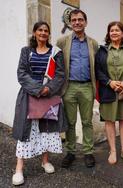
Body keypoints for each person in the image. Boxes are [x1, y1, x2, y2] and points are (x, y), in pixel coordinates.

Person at [12, 21, 67, 185]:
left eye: (46, 30)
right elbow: (21, 74)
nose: (43, 33)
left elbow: (60, 74)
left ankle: (45, 161)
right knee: (25, 131)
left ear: (48, 34)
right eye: (40, 30)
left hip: (48, 95)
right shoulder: (26, 51)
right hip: (29, 95)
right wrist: (38, 89)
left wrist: (48, 89)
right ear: (35, 32)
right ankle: (19, 168)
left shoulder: (55, 52)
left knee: (46, 129)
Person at [56, 9, 99, 168]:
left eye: (80, 19)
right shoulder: (63, 42)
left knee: (87, 121)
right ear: (70, 23)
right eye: (74, 20)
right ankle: (71, 152)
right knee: (70, 122)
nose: (77, 22)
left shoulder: (93, 43)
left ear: (85, 22)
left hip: (87, 86)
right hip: (69, 87)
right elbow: (56, 66)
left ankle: (88, 152)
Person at [95, 21, 123, 165]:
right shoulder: (102, 51)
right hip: (108, 90)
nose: (114, 32)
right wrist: (109, 82)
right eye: (111, 30)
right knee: (109, 120)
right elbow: (98, 71)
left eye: (117, 30)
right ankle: (113, 150)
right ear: (108, 33)